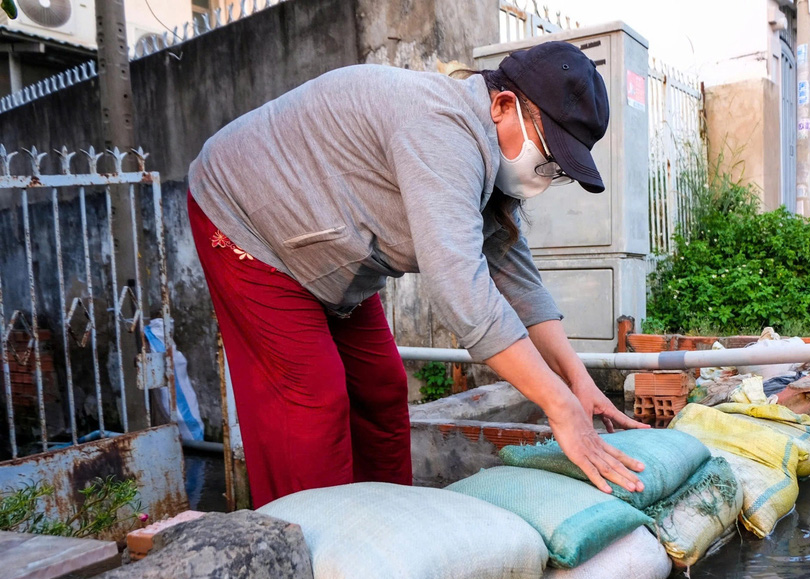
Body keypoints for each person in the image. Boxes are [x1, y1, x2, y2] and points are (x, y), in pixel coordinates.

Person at [186, 42, 649, 508]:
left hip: (328, 249)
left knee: (382, 387)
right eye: (548, 157)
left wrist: (577, 380)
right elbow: (463, 293)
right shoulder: (442, 128)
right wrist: (559, 407)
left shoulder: (486, 158)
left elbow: (518, 282)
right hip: (246, 217)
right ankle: (313, 552)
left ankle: (390, 527)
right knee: (312, 398)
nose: (545, 177)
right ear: (503, 104)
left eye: (558, 171)